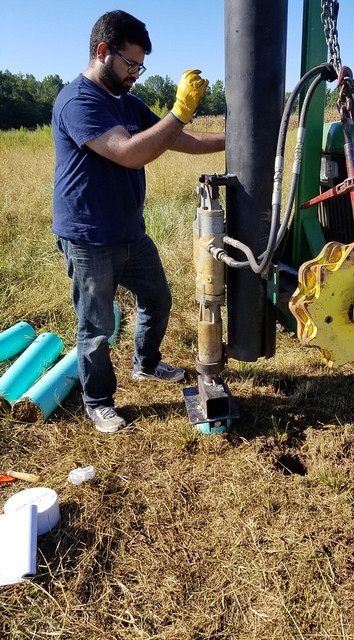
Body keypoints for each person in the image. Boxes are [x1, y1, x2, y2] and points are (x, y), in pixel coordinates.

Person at [52, 10, 225, 433]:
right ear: (101, 52)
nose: (136, 74)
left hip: (130, 230)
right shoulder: (78, 101)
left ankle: (145, 365)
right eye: (130, 64)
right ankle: (98, 401)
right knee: (97, 326)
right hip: (89, 237)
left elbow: (176, 138)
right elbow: (131, 151)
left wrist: (239, 138)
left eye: (140, 66)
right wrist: (180, 111)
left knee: (158, 299)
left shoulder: (128, 103)